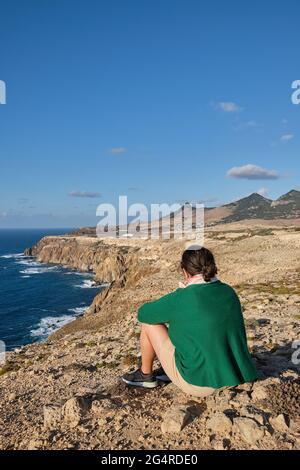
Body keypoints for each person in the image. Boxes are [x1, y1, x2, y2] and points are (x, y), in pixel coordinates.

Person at [122, 246, 258, 397]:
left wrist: (177, 296)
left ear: (185, 271)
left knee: (149, 324)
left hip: (201, 383)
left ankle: (145, 375)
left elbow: (143, 314)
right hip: (238, 375)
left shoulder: (183, 297)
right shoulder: (228, 291)